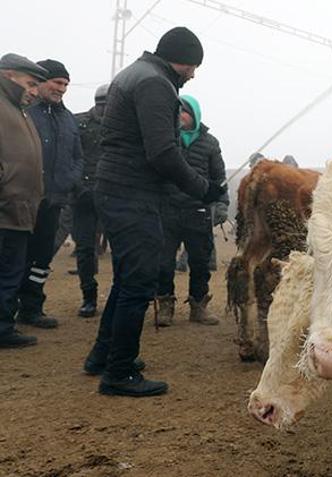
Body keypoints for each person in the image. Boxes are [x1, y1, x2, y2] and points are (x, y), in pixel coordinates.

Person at [83, 27, 225, 396]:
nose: (193, 74)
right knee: (138, 282)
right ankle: (119, 371)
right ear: (181, 58)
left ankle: (104, 355)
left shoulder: (135, 74)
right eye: (194, 65)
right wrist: (202, 188)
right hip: (132, 193)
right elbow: (162, 152)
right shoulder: (155, 83)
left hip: (118, 189)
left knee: (128, 277)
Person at [15, 59, 83, 329]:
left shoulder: (68, 119)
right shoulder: (23, 112)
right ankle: (8, 309)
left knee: (42, 258)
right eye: (58, 82)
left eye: (66, 84)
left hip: (54, 201)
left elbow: (78, 156)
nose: (62, 88)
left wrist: (69, 180)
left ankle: (32, 308)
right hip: (22, 200)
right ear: (41, 82)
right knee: (16, 256)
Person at [155, 95, 228, 327]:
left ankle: (198, 306)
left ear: (194, 114)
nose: (179, 116)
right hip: (167, 210)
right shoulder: (165, 140)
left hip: (198, 211)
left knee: (200, 262)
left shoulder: (210, 143)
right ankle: (165, 304)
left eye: (183, 112)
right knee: (164, 262)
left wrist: (222, 204)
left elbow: (219, 178)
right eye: (176, 112)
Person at [0, 53, 48, 348]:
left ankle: (4, 325)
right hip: (4, 210)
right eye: (30, 84)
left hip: (19, 211)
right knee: (5, 273)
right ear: (8, 75)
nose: (34, 91)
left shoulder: (18, 110)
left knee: (11, 272)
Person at [72, 83, 110, 317]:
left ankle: (119, 297)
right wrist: (79, 187)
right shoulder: (78, 123)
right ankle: (89, 296)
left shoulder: (125, 124)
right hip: (84, 197)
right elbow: (71, 157)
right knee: (85, 249)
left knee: (123, 251)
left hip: (114, 196)